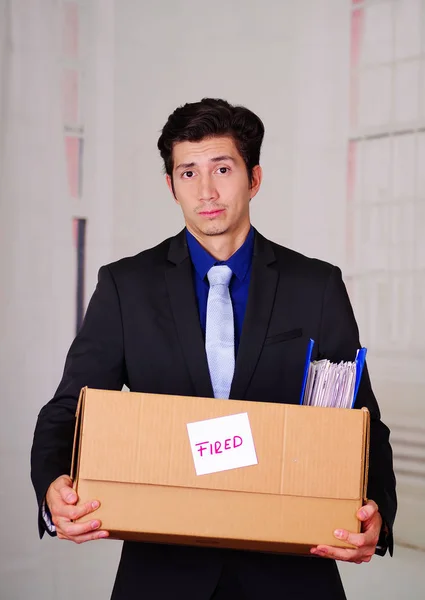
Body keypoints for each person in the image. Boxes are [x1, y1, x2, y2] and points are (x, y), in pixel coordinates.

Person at [31, 98, 397, 600]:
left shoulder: (316, 286)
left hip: (291, 573)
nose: (206, 191)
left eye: (222, 168)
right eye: (188, 172)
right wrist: (53, 486)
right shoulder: (125, 287)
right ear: (171, 185)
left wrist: (375, 507)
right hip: (163, 574)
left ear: (254, 178)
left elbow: (361, 420)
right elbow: (68, 408)